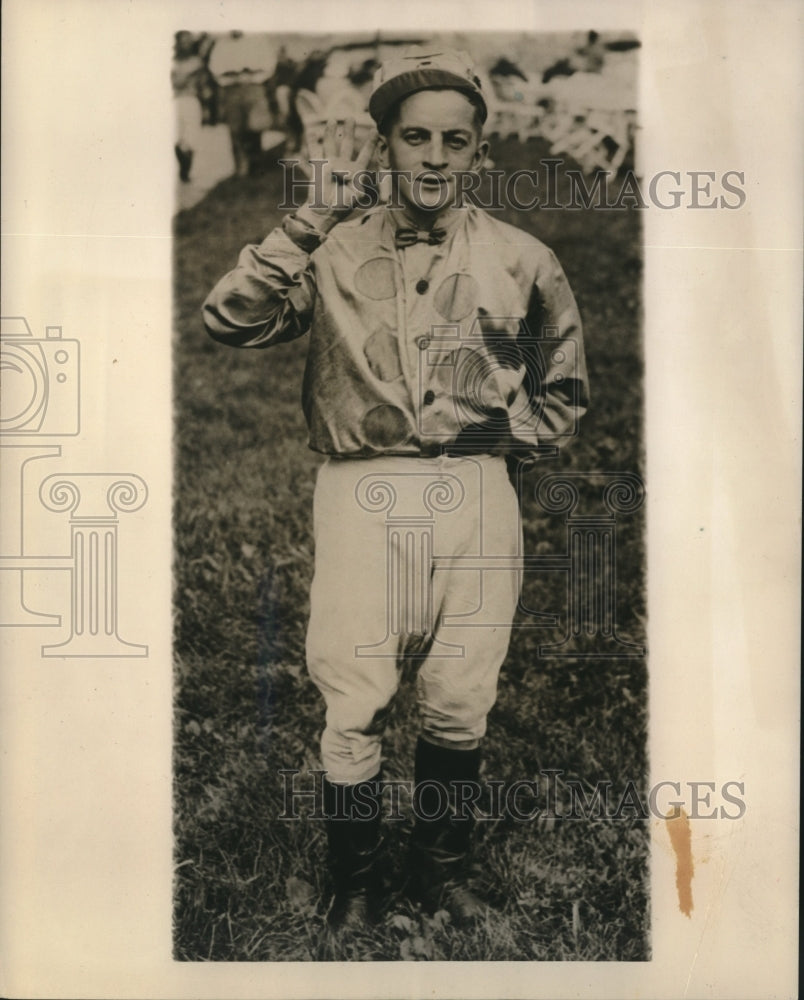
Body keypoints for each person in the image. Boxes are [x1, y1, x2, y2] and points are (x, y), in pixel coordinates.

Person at [202, 47, 588, 933]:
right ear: (383, 147)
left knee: (461, 689)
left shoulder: (523, 258)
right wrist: (302, 226)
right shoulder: (331, 249)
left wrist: (497, 439)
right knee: (358, 687)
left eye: (457, 140)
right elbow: (230, 317)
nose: (435, 157)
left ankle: (439, 870)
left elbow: (563, 386)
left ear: (481, 154)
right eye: (414, 137)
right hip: (362, 489)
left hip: (476, 490)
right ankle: (356, 882)